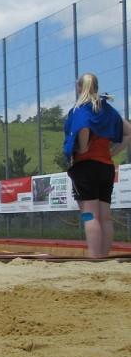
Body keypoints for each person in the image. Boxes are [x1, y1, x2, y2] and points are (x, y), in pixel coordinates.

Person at [63, 72, 131, 257]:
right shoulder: (107, 109)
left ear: (79, 88)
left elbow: (83, 126)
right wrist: (113, 152)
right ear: (97, 87)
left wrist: (83, 147)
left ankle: (95, 257)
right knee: (105, 216)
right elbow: (128, 132)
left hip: (86, 166)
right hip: (106, 167)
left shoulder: (80, 109)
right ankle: (104, 255)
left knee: (89, 215)